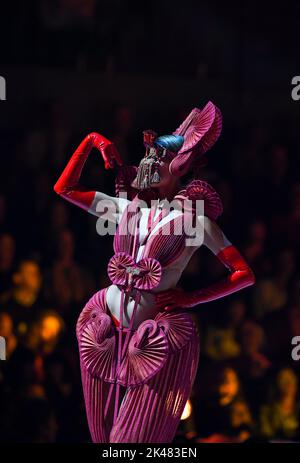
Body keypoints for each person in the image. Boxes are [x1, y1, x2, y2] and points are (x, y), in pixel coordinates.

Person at [54, 101, 255, 443]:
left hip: (149, 338)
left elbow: (242, 273)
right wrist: (91, 141)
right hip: (106, 329)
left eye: (160, 157)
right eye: (150, 156)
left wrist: (191, 298)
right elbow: (65, 189)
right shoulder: (128, 209)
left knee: (130, 441)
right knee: (102, 438)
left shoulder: (195, 222)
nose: (150, 162)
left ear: (183, 164)